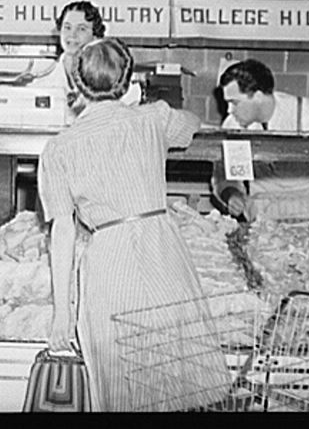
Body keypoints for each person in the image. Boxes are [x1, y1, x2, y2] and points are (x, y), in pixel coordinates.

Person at [38, 37, 230, 411]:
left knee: (123, 383)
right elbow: (190, 125)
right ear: (126, 82)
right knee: (179, 377)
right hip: (163, 248)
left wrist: (63, 313)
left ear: (77, 85)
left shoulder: (60, 147)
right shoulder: (153, 117)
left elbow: (62, 232)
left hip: (109, 258)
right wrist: (140, 105)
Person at [213, 58, 309, 222]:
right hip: (264, 213)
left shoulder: (308, 114)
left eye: (234, 102)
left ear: (257, 96)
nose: (229, 110)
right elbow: (227, 174)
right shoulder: (233, 125)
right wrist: (232, 194)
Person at [29, 0, 141, 118]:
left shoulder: (116, 81)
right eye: (67, 27)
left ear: (95, 35)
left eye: (81, 29)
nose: (72, 35)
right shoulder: (42, 83)